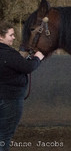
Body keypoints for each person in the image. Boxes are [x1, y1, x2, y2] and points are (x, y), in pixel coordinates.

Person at [0, 22, 44, 151]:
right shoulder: (8, 54)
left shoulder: (9, 54)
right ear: (1, 37)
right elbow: (27, 67)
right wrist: (37, 58)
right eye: (11, 35)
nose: (14, 37)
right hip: (10, 99)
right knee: (4, 136)